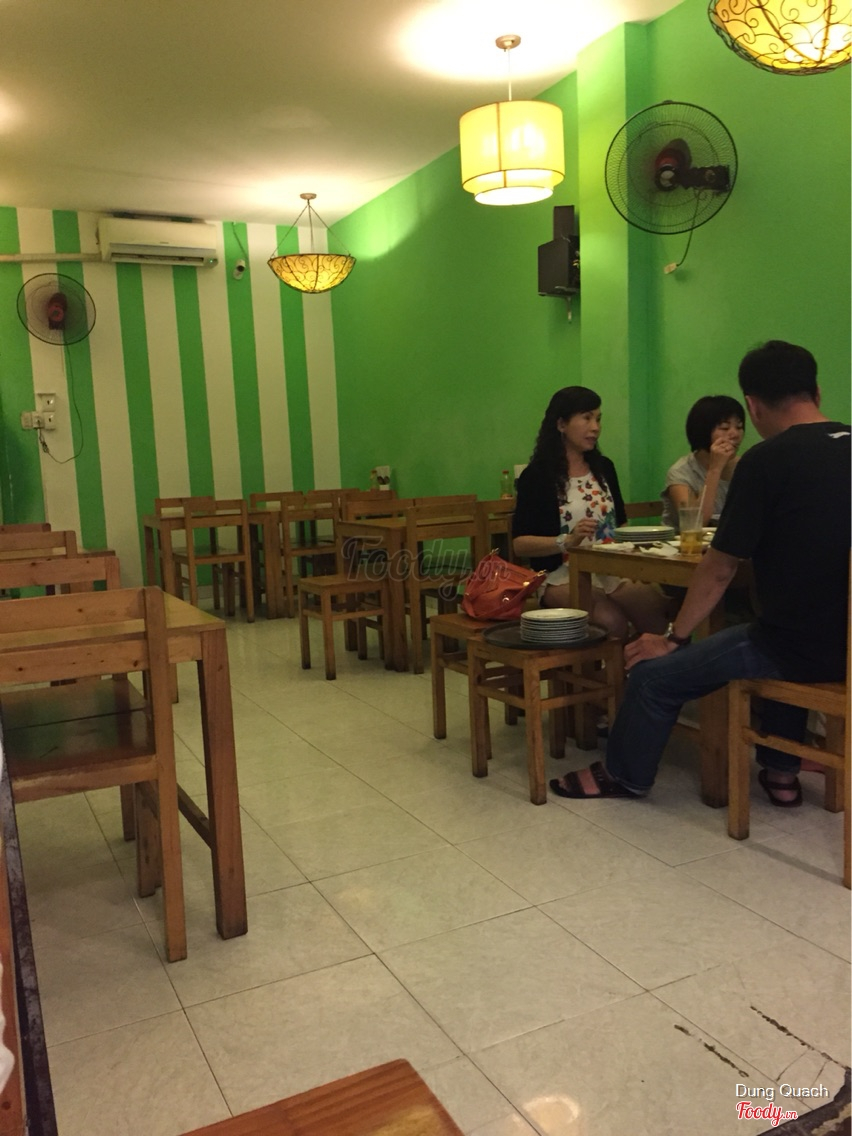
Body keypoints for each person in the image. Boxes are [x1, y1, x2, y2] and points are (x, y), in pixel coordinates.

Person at [550, 341, 850, 805]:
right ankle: (781, 772)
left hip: (793, 647)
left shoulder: (767, 460)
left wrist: (673, 638)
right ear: (817, 391)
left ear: (753, 406)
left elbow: (720, 567)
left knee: (654, 675)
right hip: (842, 647)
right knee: (785, 637)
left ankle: (624, 775)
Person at [512, 385, 669, 639]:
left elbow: (621, 524)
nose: (595, 427)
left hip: (609, 568)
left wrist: (633, 558)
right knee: (610, 620)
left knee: (652, 605)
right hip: (560, 574)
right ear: (561, 424)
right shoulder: (537, 475)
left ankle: (650, 661)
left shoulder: (604, 467)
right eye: (586, 418)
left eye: (598, 419)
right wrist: (566, 541)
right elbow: (520, 544)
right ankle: (612, 665)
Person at [661, 395, 746, 530]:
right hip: (685, 542)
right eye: (725, 428)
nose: (735, 434)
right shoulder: (681, 472)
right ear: (703, 430)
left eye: (739, 427)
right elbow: (694, 524)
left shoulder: (746, 466)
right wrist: (715, 469)